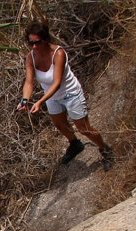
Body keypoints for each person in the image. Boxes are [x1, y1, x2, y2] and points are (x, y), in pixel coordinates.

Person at [16, 21, 114, 171]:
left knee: (84, 128)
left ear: (45, 39)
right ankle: (75, 144)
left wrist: (40, 102)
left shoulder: (58, 53)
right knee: (59, 124)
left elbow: (56, 83)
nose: (34, 46)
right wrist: (25, 100)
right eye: (31, 43)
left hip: (69, 92)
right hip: (52, 97)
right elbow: (29, 82)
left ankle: (105, 149)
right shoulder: (31, 57)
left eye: (37, 42)